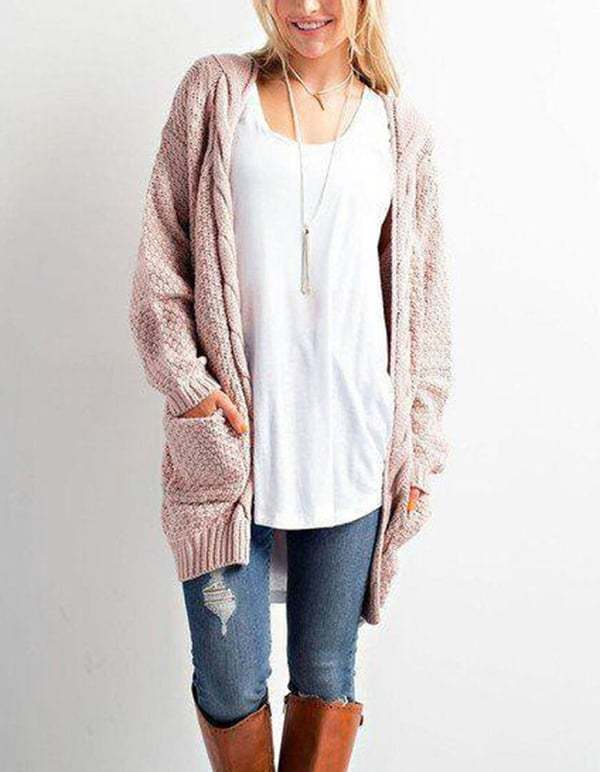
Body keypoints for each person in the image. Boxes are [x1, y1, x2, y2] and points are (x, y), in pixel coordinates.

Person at [129, 1, 452, 769]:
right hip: (231, 448)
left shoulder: (399, 130)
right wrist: (190, 384)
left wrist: (419, 441)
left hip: (353, 447)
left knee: (326, 675)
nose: (307, 7)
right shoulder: (216, 93)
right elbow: (160, 259)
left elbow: (425, 304)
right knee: (230, 681)